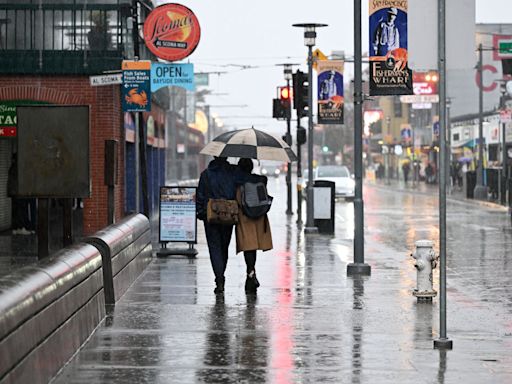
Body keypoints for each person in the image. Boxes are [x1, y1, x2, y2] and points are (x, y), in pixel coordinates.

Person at [197, 157, 237, 294]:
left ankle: (219, 278)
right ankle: (220, 274)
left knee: (214, 248)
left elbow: (200, 196)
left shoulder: (206, 174)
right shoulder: (232, 172)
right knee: (224, 247)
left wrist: (201, 213)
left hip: (211, 216)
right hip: (229, 215)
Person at [235, 158, 273, 294]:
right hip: (258, 217)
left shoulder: (239, 183)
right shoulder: (260, 180)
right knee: (253, 248)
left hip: (245, 217)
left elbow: (238, 200)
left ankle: (250, 274)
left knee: (248, 248)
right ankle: (251, 274)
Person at [7, 153, 32, 235]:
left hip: (14, 193)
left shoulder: (12, 167)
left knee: (16, 210)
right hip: (18, 193)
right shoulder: (17, 168)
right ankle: (21, 228)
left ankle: (17, 228)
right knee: (21, 210)